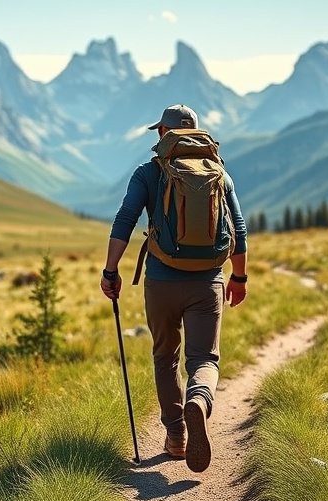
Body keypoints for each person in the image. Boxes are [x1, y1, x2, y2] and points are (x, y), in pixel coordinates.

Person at [100, 104, 248, 473]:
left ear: (163, 134)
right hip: (208, 282)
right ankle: (200, 400)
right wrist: (239, 277)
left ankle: (178, 434)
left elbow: (125, 219)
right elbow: (240, 230)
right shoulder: (218, 172)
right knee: (204, 360)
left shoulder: (148, 172)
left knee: (165, 357)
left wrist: (110, 271)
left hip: (161, 281)